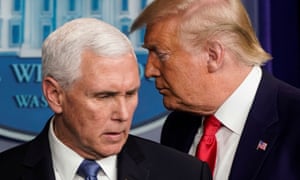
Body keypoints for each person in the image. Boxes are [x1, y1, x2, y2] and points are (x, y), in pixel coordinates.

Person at [0, 18, 212, 180]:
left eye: (130, 94)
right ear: (55, 95)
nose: (123, 114)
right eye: (104, 96)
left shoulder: (185, 174)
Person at [130, 0, 300, 179]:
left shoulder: (295, 122)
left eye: (161, 54)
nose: (149, 71)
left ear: (213, 56)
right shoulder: (178, 126)